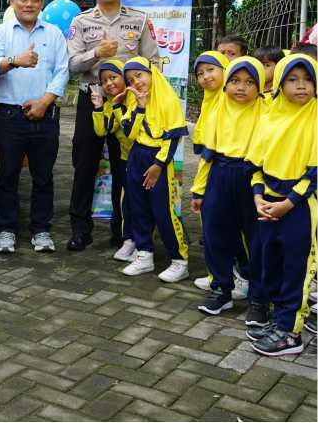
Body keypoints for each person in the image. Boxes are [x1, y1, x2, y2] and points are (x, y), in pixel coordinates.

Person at [66, 0, 159, 251]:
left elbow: (153, 62)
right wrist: (96, 53)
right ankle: (80, 231)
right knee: (84, 166)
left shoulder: (140, 20)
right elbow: (71, 64)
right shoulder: (81, 22)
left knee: (125, 169)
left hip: (127, 103)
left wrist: (139, 93)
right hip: (92, 99)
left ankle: (124, 232)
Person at [0, 0, 69, 253]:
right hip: (10, 117)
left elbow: (62, 71)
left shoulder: (54, 34)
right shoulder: (0, 33)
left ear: (41, 3)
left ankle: (41, 230)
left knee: (43, 177)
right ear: (12, 2)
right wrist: (14, 61)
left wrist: (45, 102)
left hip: (46, 116)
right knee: (7, 176)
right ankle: (6, 230)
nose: (29, 4)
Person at [246, 54, 317, 356]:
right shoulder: (270, 116)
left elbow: (314, 173)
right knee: (270, 262)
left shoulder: (315, 118)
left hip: (299, 206)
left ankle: (291, 332)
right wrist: (258, 197)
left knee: (296, 269)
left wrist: (288, 203)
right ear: (279, 83)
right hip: (268, 203)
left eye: (308, 79)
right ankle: (279, 321)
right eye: (292, 79)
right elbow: (256, 165)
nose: (301, 86)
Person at [192, 57, 266, 316]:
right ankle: (222, 289)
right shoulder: (218, 109)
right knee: (215, 234)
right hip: (220, 174)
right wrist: (199, 189)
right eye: (235, 80)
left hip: (253, 177)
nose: (241, 87)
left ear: (260, 85)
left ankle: (259, 298)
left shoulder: (267, 112)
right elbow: (208, 154)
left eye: (249, 82)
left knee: (257, 239)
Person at [120, 57, 189, 282]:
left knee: (163, 211)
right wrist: (140, 107)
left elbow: (173, 136)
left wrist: (159, 165)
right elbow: (129, 133)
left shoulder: (168, 99)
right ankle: (144, 254)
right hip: (137, 155)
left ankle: (179, 260)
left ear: (151, 73)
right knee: (138, 207)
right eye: (131, 80)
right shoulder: (134, 100)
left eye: (139, 75)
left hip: (158, 160)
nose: (136, 82)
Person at [89, 60, 136, 262]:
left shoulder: (135, 98)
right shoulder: (108, 104)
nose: (109, 83)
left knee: (139, 200)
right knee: (123, 198)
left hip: (143, 158)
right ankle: (126, 238)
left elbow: (130, 128)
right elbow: (102, 130)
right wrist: (99, 107)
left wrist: (117, 105)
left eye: (113, 77)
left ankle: (141, 241)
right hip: (123, 160)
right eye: (104, 81)